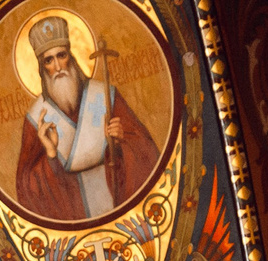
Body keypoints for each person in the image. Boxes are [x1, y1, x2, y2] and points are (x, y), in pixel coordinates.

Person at [12, 12, 160, 223]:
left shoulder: (105, 96)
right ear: (41, 67)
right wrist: (51, 155)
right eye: (49, 60)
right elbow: (27, 190)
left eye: (62, 56)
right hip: (74, 216)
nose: (58, 67)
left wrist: (122, 140)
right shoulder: (36, 118)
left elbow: (147, 153)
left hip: (119, 208)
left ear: (71, 57)